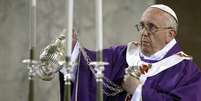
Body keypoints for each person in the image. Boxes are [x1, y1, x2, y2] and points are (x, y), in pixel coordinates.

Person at [57, 4, 201, 101]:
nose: (144, 33)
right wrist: (74, 50)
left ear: (170, 34)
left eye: (151, 27)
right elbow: (91, 68)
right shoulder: (122, 54)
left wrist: (139, 91)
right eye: (142, 26)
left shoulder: (187, 72)